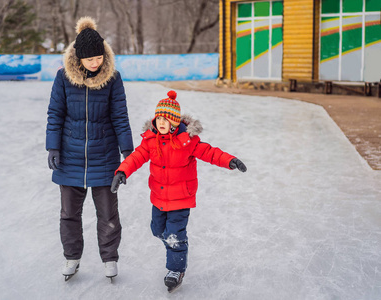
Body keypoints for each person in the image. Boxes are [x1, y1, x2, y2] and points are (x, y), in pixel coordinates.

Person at [110, 90, 247, 291]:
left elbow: (210, 153)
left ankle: (176, 269)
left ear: (175, 122)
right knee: (157, 230)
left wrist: (230, 161)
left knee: (174, 236)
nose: (161, 122)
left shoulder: (187, 141)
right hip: (158, 197)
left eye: (166, 119)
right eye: (159, 118)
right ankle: (176, 247)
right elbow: (136, 157)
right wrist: (122, 171)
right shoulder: (150, 140)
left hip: (181, 198)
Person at [46, 16, 133, 281]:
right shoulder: (64, 77)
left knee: (108, 214)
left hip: (104, 156)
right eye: (90, 60)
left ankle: (109, 259)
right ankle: (72, 258)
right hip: (69, 155)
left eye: (99, 59)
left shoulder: (112, 78)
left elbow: (120, 116)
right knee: (69, 214)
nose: (95, 64)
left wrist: (128, 153)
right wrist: (53, 147)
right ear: (79, 59)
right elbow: (55, 113)